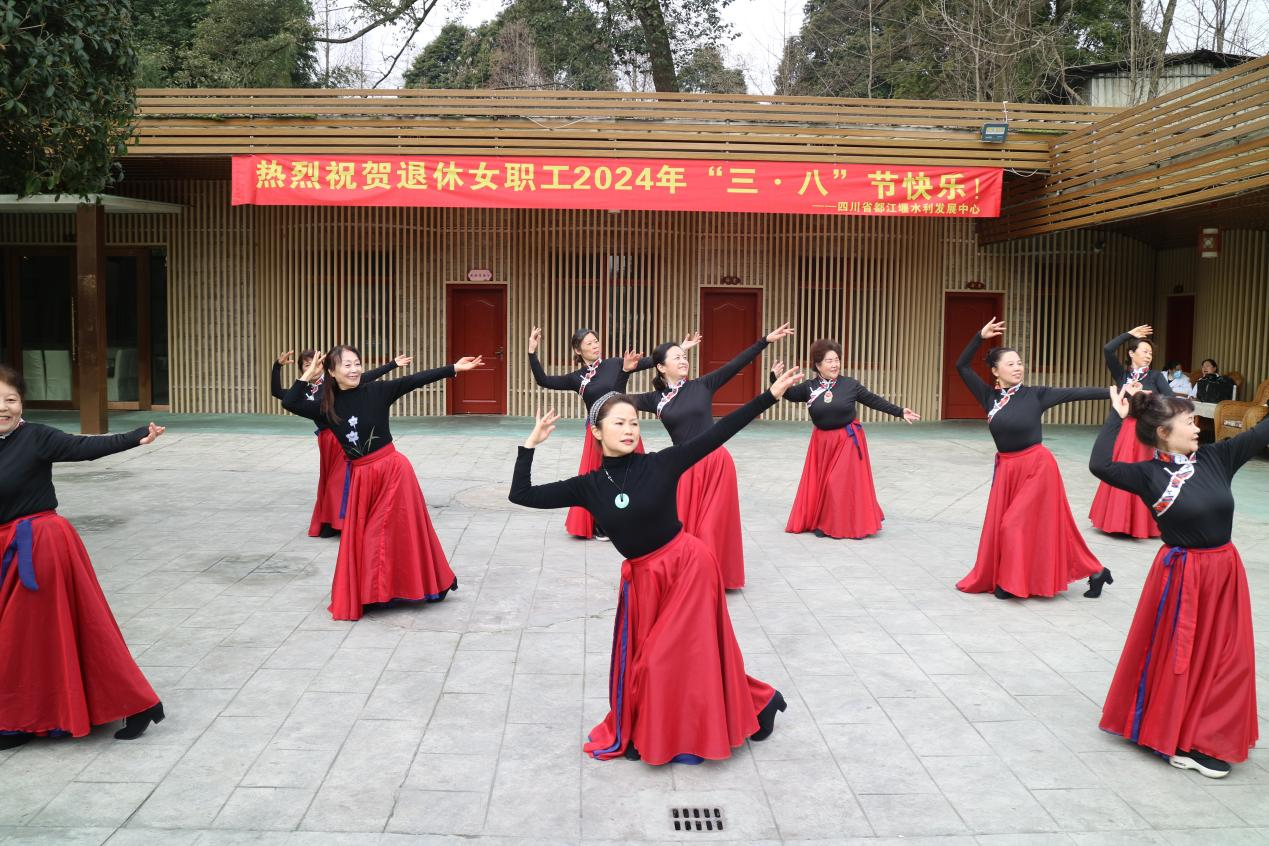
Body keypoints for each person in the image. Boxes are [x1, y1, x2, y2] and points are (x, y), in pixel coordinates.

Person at [507, 369, 804, 764]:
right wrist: (530, 444)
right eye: (619, 423)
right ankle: (760, 702)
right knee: (682, 659)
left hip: (688, 567)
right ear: (596, 432)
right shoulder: (588, 486)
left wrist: (769, 395)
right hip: (645, 579)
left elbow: (720, 432)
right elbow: (521, 494)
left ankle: (676, 733)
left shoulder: (661, 463)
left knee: (661, 659)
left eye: (633, 422)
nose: (629, 430)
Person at [1091, 385, 1267, 778]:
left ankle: (1208, 730)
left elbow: (1261, 432)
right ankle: (1179, 740)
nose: (1197, 427)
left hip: (1225, 572)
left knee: (1228, 658)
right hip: (1183, 576)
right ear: (1163, 432)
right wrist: (1116, 417)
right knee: (1182, 657)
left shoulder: (1217, 457)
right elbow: (1101, 465)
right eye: (1189, 422)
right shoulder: (1147, 475)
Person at [0, 364, 167, 748]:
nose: (4, 408)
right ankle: (128, 704)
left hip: (38, 546)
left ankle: (20, 721)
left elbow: (83, 447)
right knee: (46, 635)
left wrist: (135, 437)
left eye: (11, 399)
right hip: (7, 549)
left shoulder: (37, 437)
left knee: (22, 636)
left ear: (22, 403)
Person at [282, 346, 481, 621]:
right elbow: (290, 402)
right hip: (362, 477)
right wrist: (307, 375)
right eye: (347, 365)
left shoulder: (376, 391)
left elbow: (413, 380)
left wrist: (453, 368)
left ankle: (399, 588)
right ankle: (373, 592)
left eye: (357, 363)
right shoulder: (325, 406)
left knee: (382, 533)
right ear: (331, 372)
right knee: (366, 536)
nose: (354, 369)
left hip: (393, 472)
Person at [626, 323, 795, 588]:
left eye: (684, 356)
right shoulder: (654, 399)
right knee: (686, 526)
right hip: (684, 468)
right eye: (677, 357)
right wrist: (626, 371)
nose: (683, 361)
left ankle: (712, 578)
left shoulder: (702, 385)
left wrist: (765, 341)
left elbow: (736, 364)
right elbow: (616, 398)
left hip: (716, 463)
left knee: (710, 527)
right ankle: (688, 575)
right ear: (661, 367)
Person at [954, 318, 1111, 599]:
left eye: (1020, 363)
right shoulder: (989, 397)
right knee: (1042, 527)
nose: (1018, 367)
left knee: (1013, 524)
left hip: (1038, 467)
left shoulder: (1036, 395)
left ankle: (1011, 582)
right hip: (1008, 469)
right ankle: (1097, 571)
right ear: (995, 371)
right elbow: (961, 366)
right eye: (1011, 364)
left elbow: (1075, 393)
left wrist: (1114, 392)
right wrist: (979, 336)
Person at [526, 326, 699, 541]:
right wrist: (532, 352)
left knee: (635, 474)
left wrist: (680, 349)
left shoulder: (615, 363)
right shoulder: (576, 378)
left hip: (624, 426)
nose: (595, 345)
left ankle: (638, 519)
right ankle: (602, 524)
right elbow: (543, 380)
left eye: (596, 341)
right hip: (598, 432)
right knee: (603, 478)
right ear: (578, 350)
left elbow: (652, 362)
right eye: (589, 343)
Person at [770, 339, 920, 540]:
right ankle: (825, 523)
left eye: (837, 360)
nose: (835, 364)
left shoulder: (850, 385)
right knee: (824, 484)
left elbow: (873, 400)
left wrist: (900, 411)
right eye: (829, 361)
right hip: (822, 442)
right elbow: (787, 393)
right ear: (818, 365)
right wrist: (775, 378)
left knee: (837, 483)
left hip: (847, 439)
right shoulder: (810, 387)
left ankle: (849, 526)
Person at [271, 349, 408, 537]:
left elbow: (366, 376)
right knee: (329, 482)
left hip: (342, 439)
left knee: (339, 482)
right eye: (307, 365)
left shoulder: (334, 385)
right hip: (325, 441)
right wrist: (278, 366)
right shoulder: (304, 391)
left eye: (316, 363)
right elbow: (279, 394)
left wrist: (392, 365)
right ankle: (330, 520)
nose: (313, 367)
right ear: (302, 369)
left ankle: (340, 523)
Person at [1088, 326, 1172, 538]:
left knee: (1143, 473)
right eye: (1144, 351)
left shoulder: (1155, 376)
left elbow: (1171, 399)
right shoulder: (1122, 375)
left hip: (1145, 431)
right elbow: (1108, 349)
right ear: (1131, 353)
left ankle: (1141, 525)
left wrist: (1147, 397)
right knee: (1119, 470)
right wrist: (1129, 335)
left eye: (1150, 353)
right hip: (1123, 429)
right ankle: (1117, 521)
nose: (1148, 356)